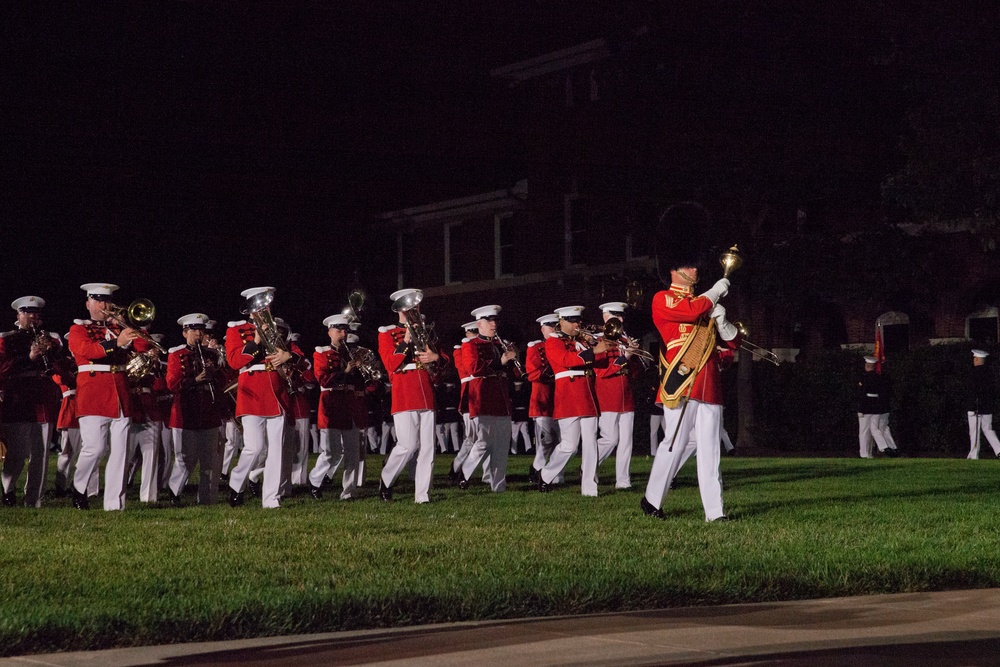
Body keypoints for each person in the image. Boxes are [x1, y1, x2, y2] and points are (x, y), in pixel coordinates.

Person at [642, 202, 740, 522]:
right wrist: (713, 294)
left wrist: (723, 321)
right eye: (690, 265)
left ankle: (715, 512)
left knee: (710, 451)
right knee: (674, 443)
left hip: (709, 383)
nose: (696, 270)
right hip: (681, 380)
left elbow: (732, 343)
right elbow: (688, 312)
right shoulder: (663, 299)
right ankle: (652, 499)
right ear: (675, 268)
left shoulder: (702, 303)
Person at [67, 283, 150, 510]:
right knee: (95, 448)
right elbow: (88, 350)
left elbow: (143, 345)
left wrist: (129, 324)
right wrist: (117, 342)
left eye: (107, 300)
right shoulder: (79, 329)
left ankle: (115, 504)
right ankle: (79, 487)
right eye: (98, 300)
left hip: (120, 393)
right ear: (88, 304)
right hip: (93, 393)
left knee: (121, 452)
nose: (104, 305)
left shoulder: (118, 327)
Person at [225, 286, 300, 508]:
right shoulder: (236, 329)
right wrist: (255, 341)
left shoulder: (279, 328)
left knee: (276, 450)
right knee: (255, 447)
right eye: (259, 305)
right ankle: (236, 483)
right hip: (252, 390)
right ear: (249, 308)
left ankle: (271, 498)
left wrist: (288, 356)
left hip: (276, 391)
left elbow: (298, 356)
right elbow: (234, 361)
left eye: (266, 304)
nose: (263, 308)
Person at [376, 288, 444, 503]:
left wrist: (435, 357)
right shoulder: (387, 333)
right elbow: (390, 364)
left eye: (416, 305)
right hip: (404, 390)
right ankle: (386, 478)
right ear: (399, 309)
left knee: (428, 448)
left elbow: (443, 358)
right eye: (409, 305)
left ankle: (422, 495)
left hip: (426, 389)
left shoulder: (426, 330)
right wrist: (405, 341)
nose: (413, 309)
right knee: (408, 445)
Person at [538, 305, 610, 496]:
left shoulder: (582, 341)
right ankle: (546, 474)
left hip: (587, 394)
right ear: (561, 322)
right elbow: (565, 360)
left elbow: (601, 363)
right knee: (569, 446)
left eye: (578, 321)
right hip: (568, 395)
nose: (577, 324)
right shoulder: (553, 341)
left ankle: (590, 488)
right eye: (572, 321)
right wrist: (592, 352)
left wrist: (600, 345)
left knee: (591, 443)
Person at [0, 296, 63, 507]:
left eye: (35, 313)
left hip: (43, 397)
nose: (32, 317)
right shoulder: (7, 339)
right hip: (19, 399)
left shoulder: (51, 338)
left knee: (41, 453)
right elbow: (3, 367)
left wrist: (51, 351)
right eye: (27, 313)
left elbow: (60, 364)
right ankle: (8, 489)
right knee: (17, 452)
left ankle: (34, 499)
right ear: (18, 315)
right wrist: (29, 357)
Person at [457, 305, 519, 492]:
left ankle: (498, 485)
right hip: (483, 396)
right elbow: (473, 368)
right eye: (489, 321)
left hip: (502, 397)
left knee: (502, 444)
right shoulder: (470, 345)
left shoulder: (501, 345)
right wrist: (500, 362)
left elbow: (515, 373)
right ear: (480, 324)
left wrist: (515, 358)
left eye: (495, 321)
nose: (494, 324)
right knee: (484, 441)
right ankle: (465, 472)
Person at [166, 313, 223, 504]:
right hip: (186, 412)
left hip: (208, 411)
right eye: (194, 330)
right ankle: (175, 492)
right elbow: (172, 384)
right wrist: (195, 380)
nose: (198, 334)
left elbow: (224, 381)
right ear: (185, 333)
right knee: (185, 458)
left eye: (201, 330)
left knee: (209, 459)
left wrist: (216, 370)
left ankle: (206, 499)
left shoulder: (211, 354)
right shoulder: (177, 355)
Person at [593, 301, 646, 490]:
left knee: (626, 440)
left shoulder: (624, 339)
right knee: (610, 438)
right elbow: (601, 371)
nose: (621, 320)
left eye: (622, 316)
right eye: (617, 316)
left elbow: (635, 372)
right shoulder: (599, 340)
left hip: (626, 393)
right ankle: (589, 466)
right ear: (605, 317)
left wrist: (634, 355)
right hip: (608, 393)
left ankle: (623, 480)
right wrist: (625, 357)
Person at [308, 314, 362, 500]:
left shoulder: (352, 353)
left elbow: (361, 384)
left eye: (345, 331)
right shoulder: (321, 353)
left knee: (353, 452)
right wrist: (345, 372)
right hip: (331, 403)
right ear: (330, 332)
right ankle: (315, 479)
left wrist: (361, 370)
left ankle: (349, 491)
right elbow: (322, 379)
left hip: (349, 403)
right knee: (332, 452)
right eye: (339, 330)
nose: (343, 334)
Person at [527, 314, 560, 482]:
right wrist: (548, 374)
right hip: (543, 397)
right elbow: (532, 373)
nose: (554, 329)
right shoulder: (536, 347)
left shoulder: (562, 345)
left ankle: (556, 474)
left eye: (556, 326)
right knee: (546, 439)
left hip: (559, 397)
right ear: (543, 330)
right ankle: (537, 468)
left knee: (560, 440)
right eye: (550, 326)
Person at [857, 355, 899, 458]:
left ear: (867, 366)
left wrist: (860, 408)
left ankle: (865, 453)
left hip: (866, 407)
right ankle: (884, 447)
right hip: (877, 407)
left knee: (864, 431)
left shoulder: (864, 378)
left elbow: (862, 394)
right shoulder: (879, 378)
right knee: (875, 429)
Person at [967, 349, 1000, 459]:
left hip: (975, 407)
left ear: (977, 359)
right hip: (987, 407)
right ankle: (999, 450)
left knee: (974, 431)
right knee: (988, 429)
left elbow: (972, 391)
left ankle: (974, 454)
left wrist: (972, 406)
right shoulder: (990, 373)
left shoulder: (973, 373)